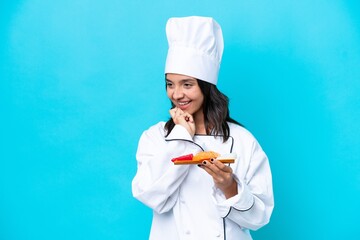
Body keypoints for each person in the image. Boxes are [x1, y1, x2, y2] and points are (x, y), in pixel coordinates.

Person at [132, 16, 274, 240]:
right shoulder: (156, 137)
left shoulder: (242, 140)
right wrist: (181, 136)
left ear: (206, 87)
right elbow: (150, 195)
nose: (177, 94)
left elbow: (259, 218)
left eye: (187, 84)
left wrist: (229, 186)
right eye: (170, 84)